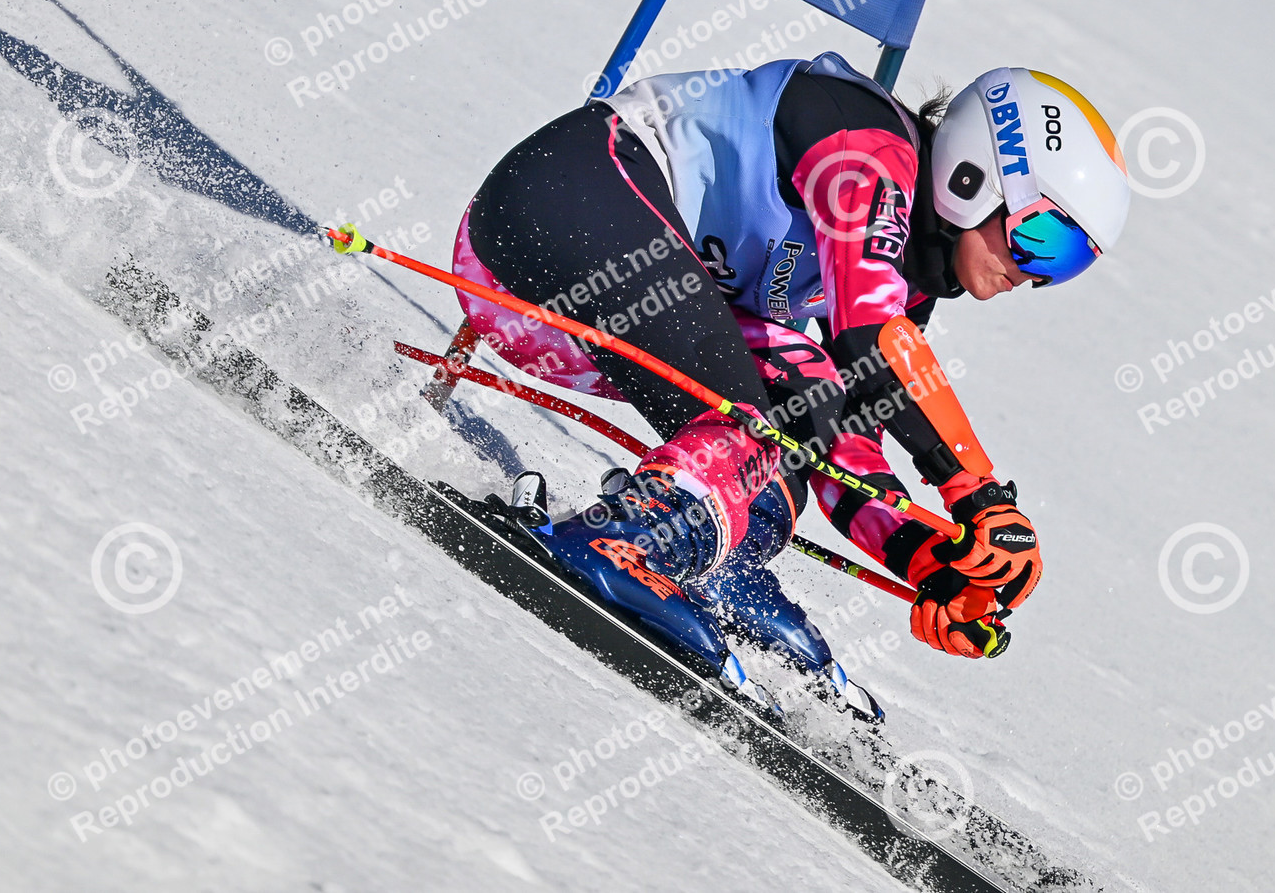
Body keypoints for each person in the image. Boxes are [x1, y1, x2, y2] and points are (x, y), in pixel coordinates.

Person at [453, 53, 1130, 668]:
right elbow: (870, 333)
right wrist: (977, 493)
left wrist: (930, 557)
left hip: (574, 330)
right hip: (552, 214)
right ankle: (622, 540)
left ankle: (705, 562)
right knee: (753, 423)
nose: (1035, 274)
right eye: (1044, 238)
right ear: (974, 175)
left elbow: (845, 435)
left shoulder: (910, 279)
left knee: (801, 417)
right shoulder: (867, 147)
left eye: (1067, 264)